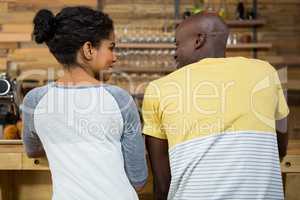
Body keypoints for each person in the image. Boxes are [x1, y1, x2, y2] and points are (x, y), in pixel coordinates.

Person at [142, 12, 289, 200]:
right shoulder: (266, 72)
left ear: (198, 40)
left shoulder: (158, 89)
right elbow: (281, 147)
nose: (174, 53)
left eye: (177, 45)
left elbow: (162, 185)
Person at [22, 6, 147, 200]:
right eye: (111, 48)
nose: (115, 57)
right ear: (88, 49)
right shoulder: (119, 99)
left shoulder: (35, 100)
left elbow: (32, 151)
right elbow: (138, 179)